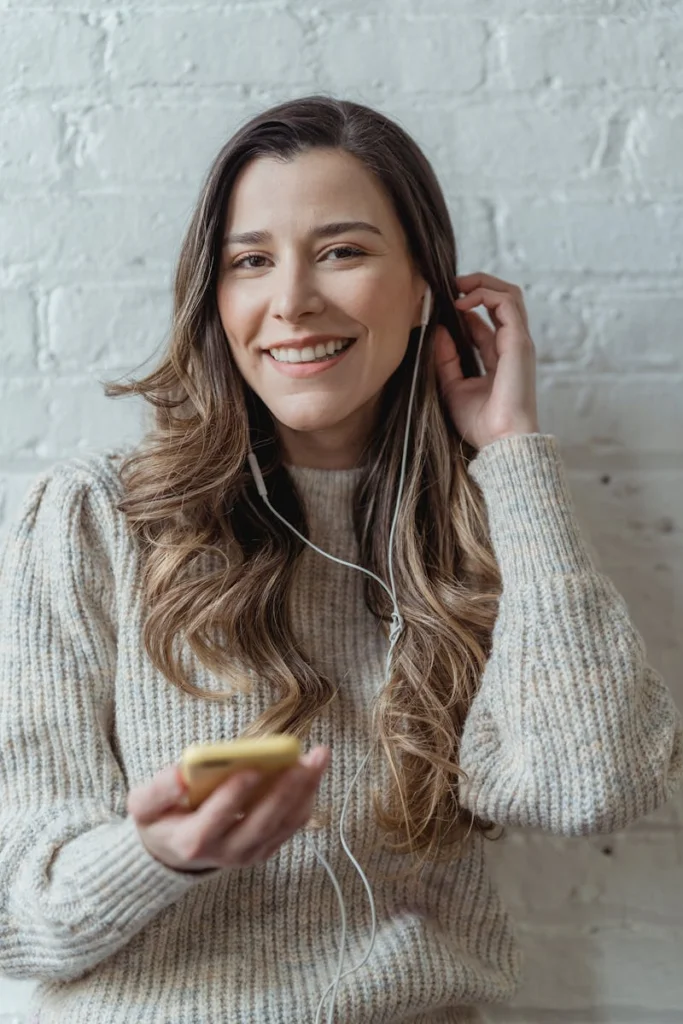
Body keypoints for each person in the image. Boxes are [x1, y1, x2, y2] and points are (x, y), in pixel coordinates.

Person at [0, 95, 681, 1024]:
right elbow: (19, 916)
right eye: (250, 262)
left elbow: (588, 788)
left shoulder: (485, 528)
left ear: (422, 294)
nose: (291, 301)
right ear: (218, 298)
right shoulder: (98, 518)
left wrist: (513, 451)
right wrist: (157, 855)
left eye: (342, 251)